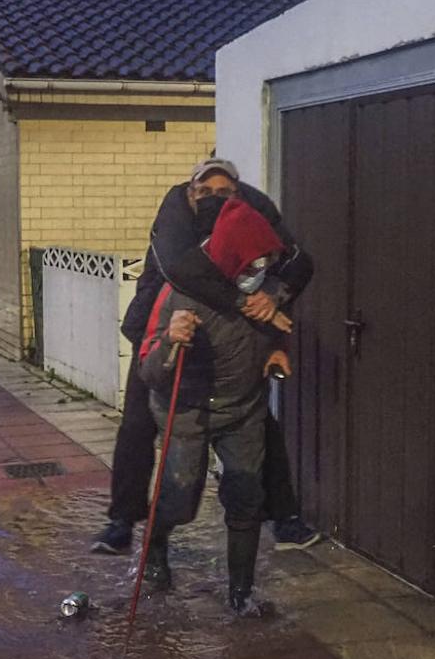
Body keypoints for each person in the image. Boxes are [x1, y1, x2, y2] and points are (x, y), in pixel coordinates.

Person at [92, 159, 317, 555]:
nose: (214, 199)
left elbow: (296, 261)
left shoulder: (252, 205)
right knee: (138, 425)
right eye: (204, 191)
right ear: (190, 190)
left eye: (224, 192)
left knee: (257, 421)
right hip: (167, 326)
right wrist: (245, 302)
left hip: (234, 337)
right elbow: (182, 271)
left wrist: (274, 298)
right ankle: (122, 520)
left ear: (238, 191)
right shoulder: (175, 211)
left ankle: (283, 516)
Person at [135, 198, 290, 617]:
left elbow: (277, 328)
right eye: (253, 262)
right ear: (231, 256)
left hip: (242, 411)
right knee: (180, 500)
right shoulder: (182, 296)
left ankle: (241, 592)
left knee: (246, 498)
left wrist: (276, 350)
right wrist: (171, 340)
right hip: (185, 413)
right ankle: (154, 549)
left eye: (266, 263)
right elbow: (149, 372)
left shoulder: (268, 292)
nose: (260, 271)